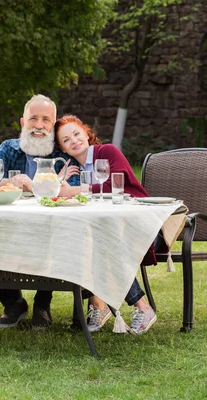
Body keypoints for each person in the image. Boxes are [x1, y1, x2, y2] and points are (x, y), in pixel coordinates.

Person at [54, 114, 157, 334]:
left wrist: (74, 190)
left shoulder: (107, 151)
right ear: (63, 149)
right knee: (90, 240)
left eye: (76, 133)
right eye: (66, 140)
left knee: (103, 241)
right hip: (112, 230)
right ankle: (98, 305)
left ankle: (140, 307)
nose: (73, 141)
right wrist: (59, 181)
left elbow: (115, 184)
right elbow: (57, 195)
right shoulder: (75, 171)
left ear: (86, 133)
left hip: (143, 228)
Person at [0, 94, 79, 330]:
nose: (39, 126)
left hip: (50, 223)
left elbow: (75, 189)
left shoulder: (63, 152)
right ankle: (12, 303)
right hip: (10, 221)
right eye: (33, 119)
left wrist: (36, 186)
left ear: (53, 123)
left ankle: (42, 303)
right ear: (22, 122)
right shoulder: (8, 148)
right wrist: (8, 185)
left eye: (46, 120)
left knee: (51, 236)